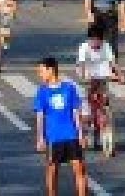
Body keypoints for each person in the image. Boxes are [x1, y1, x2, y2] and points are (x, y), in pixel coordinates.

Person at [34, 56, 87, 196]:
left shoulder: (69, 88)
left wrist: (81, 134)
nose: (40, 74)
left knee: (79, 169)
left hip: (71, 135)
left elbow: (76, 112)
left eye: (42, 71)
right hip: (53, 137)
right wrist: (40, 138)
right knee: (52, 171)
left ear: (51, 70)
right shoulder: (42, 91)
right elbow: (40, 116)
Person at [76, 24, 122, 110]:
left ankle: (104, 107)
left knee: (103, 92)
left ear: (102, 40)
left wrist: (120, 75)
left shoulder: (106, 46)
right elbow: (82, 63)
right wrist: (83, 77)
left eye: (98, 41)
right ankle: (88, 107)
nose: (95, 43)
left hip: (102, 69)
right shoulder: (83, 47)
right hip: (87, 69)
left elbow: (113, 62)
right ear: (89, 39)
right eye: (92, 40)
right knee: (88, 92)